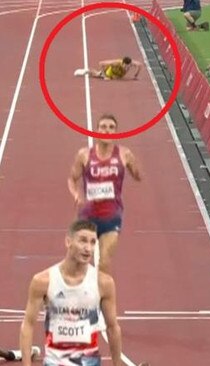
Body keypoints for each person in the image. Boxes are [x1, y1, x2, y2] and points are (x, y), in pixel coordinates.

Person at [19, 220, 124, 366]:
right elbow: (28, 325)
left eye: (93, 242)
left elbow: (112, 327)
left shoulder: (104, 283)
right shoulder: (43, 281)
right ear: (68, 242)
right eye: (82, 241)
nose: (88, 248)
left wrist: (117, 363)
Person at [67, 114, 142, 274]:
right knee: (78, 262)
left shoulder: (124, 154)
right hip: (87, 215)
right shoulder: (84, 155)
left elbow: (138, 177)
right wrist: (76, 194)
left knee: (105, 261)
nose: (107, 131)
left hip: (111, 216)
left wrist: (135, 168)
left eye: (111, 128)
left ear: (115, 132)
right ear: (97, 130)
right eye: (103, 127)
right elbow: (72, 179)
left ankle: (100, 297)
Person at [74, 57, 142, 80]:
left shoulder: (132, 63)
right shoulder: (116, 62)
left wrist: (136, 75)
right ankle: (86, 71)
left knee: (117, 78)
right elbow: (101, 63)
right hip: (111, 70)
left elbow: (140, 65)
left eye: (128, 66)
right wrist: (104, 76)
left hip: (120, 73)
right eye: (126, 66)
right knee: (97, 75)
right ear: (123, 63)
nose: (127, 67)